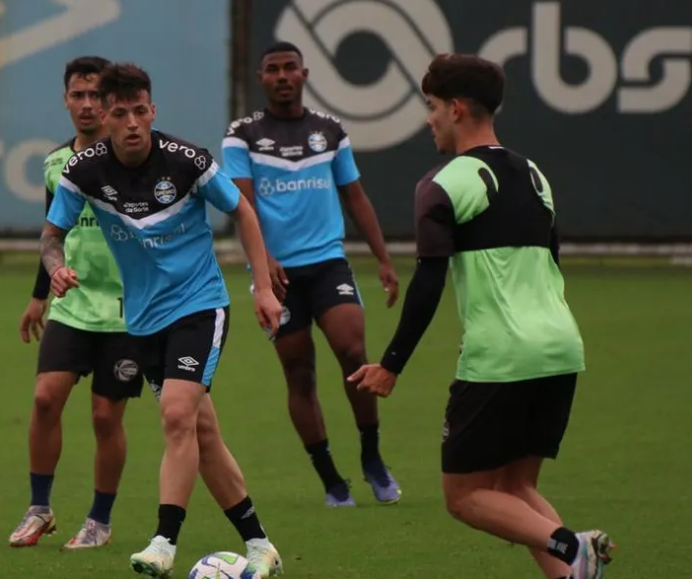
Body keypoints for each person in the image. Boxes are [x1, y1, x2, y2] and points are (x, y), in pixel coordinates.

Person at [347, 53, 614, 579]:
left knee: (465, 496)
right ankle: (574, 570)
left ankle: (569, 547)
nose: (429, 119)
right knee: (517, 489)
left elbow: (428, 281)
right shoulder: (535, 174)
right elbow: (551, 262)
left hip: (502, 355)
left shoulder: (443, 183)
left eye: (432, 107)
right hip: (560, 347)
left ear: (458, 107)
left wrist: (391, 363)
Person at [42, 62, 283, 579]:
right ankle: (260, 544)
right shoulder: (82, 172)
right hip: (145, 318)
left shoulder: (187, 161)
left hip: (200, 304)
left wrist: (261, 287)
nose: (131, 122)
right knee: (202, 431)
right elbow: (50, 238)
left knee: (176, 414)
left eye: (139, 111)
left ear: (153, 111)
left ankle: (163, 542)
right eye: (120, 112)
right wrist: (56, 269)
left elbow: (242, 210)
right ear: (104, 116)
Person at [221, 41, 402, 506]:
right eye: (272, 69)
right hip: (276, 275)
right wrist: (264, 259)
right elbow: (242, 203)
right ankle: (330, 480)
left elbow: (355, 195)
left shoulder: (330, 130)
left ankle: (372, 457)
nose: (282, 76)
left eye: (289, 68)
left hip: (327, 263)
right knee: (299, 374)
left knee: (353, 352)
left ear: (304, 73)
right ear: (261, 78)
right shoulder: (242, 135)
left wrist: (383, 258)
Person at [9, 56, 145, 551]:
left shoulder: (135, 160)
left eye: (95, 96)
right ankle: (39, 508)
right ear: (66, 101)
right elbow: (54, 235)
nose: (87, 105)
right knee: (45, 399)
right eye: (78, 95)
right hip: (72, 304)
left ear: (110, 103)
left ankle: (99, 521)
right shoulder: (55, 164)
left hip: (128, 310)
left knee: (106, 418)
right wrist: (38, 295)